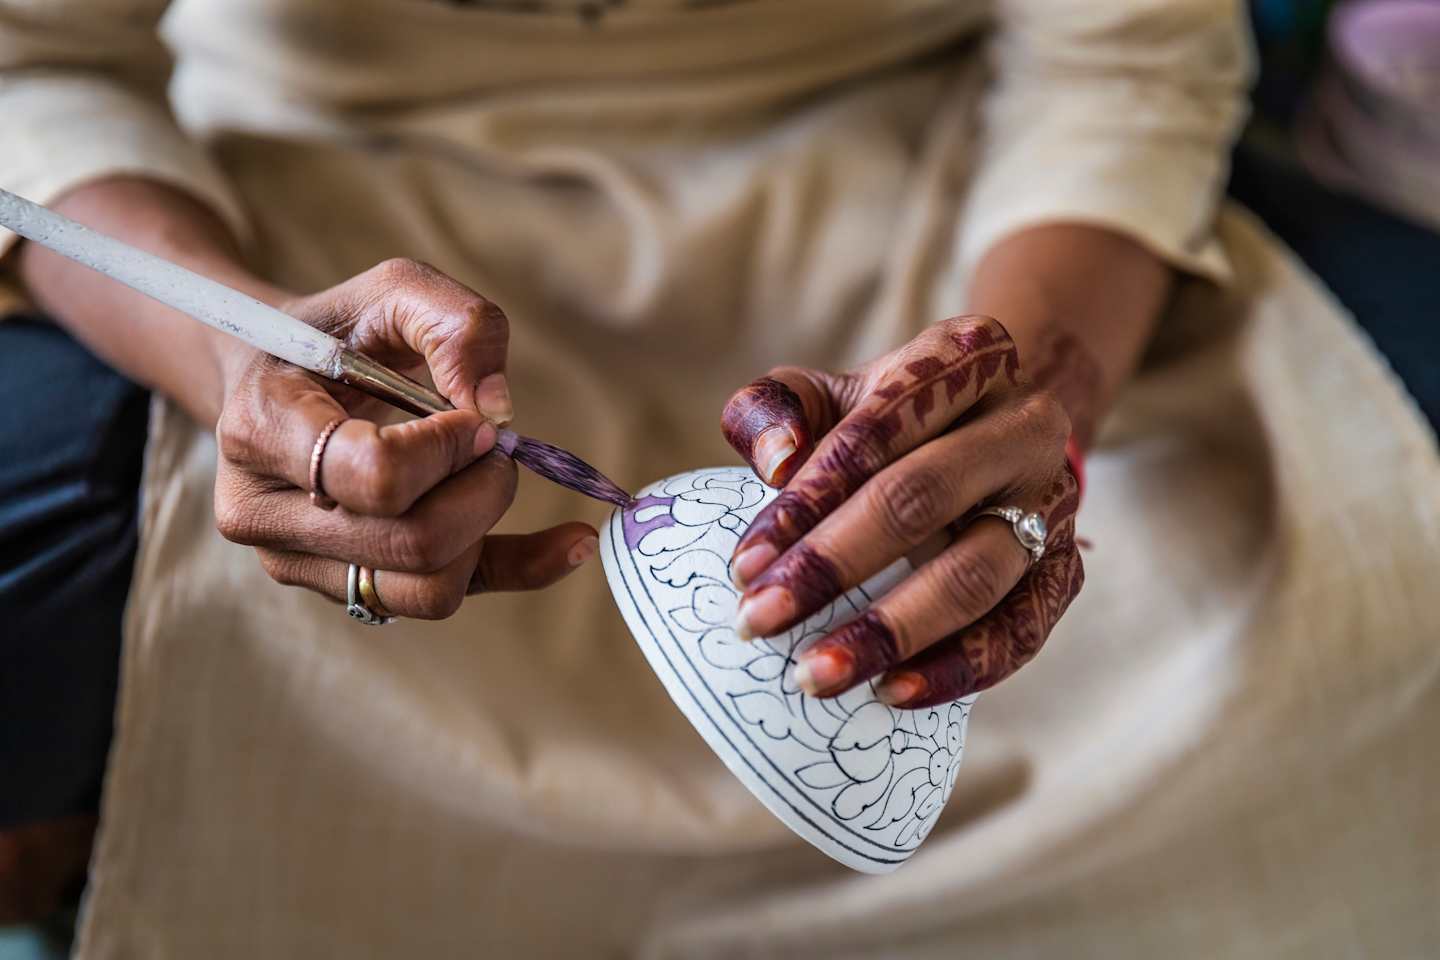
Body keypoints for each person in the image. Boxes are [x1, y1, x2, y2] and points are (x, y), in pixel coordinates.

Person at [1, 0, 1436, 955]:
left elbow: (1121, 52)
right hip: (328, 254)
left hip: (973, 216)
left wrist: (1041, 393)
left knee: (1357, 566)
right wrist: (238, 367)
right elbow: (35, 57)